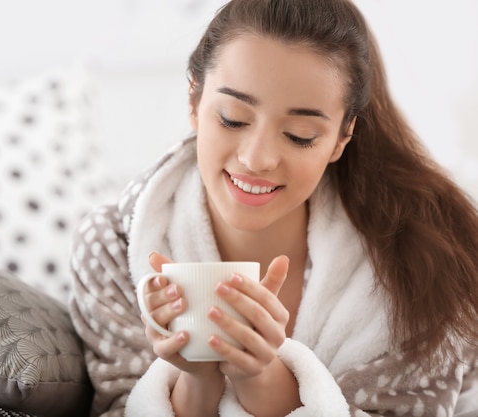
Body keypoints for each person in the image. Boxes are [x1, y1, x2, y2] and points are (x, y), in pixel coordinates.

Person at [68, 0, 478, 415]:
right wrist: (196, 377)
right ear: (194, 100)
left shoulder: (423, 267)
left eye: (300, 135)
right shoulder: (113, 248)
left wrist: (263, 378)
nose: (257, 158)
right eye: (232, 118)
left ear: (341, 137)